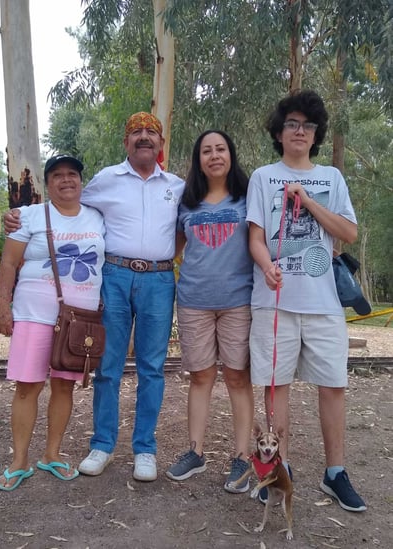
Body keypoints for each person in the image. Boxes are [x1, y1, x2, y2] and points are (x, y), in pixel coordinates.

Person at [3, 113, 184, 482]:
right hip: (114, 277)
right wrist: (15, 218)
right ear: (126, 142)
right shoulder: (105, 180)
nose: (144, 138)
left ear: (161, 142)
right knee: (108, 367)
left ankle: (144, 449)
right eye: (136, 132)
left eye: (151, 132)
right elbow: (64, 206)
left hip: (159, 280)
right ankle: (102, 445)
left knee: (152, 367)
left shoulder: (178, 186)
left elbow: (184, 227)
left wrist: (166, 256)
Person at [246, 90, 366, 511]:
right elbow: (256, 238)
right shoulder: (263, 177)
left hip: (323, 303)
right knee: (276, 386)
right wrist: (266, 266)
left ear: (316, 134)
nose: (300, 131)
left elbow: (348, 233)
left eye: (308, 125)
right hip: (273, 300)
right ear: (279, 133)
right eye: (292, 124)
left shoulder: (331, 178)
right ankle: (280, 466)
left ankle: (336, 472)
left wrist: (308, 201)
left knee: (333, 386)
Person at [0, 154, 105, 491]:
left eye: (73, 174)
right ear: (47, 182)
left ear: (81, 181)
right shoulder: (28, 216)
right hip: (34, 315)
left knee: (64, 386)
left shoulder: (98, 217)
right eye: (58, 175)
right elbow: (9, 263)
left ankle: (52, 454)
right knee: (27, 387)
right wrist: (3, 310)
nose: (66, 180)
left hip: (80, 321)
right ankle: (19, 462)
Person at [165, 130, 255, 493]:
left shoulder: (249, 197)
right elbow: (172, 247)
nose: (214, 155)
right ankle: (196, 452)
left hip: (239, 301)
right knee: (201, 378)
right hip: (194, 302)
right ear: (198, 159)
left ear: (231, 155)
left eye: (220, 149)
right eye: (206, 150)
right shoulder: (186, 202)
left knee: (237, 379)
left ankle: (243, 457)